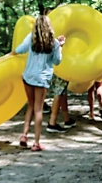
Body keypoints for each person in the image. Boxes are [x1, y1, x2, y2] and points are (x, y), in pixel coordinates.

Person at [10, 15, 65, 151]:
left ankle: (24, 135)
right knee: (38, 109)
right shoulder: (54, 43)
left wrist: (10, 54)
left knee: (30, 105)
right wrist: (61, 46)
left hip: (28, 76)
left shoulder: (31, 38)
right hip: (42, 78)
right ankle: (36, 143)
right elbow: (57, 61)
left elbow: (20, 49)